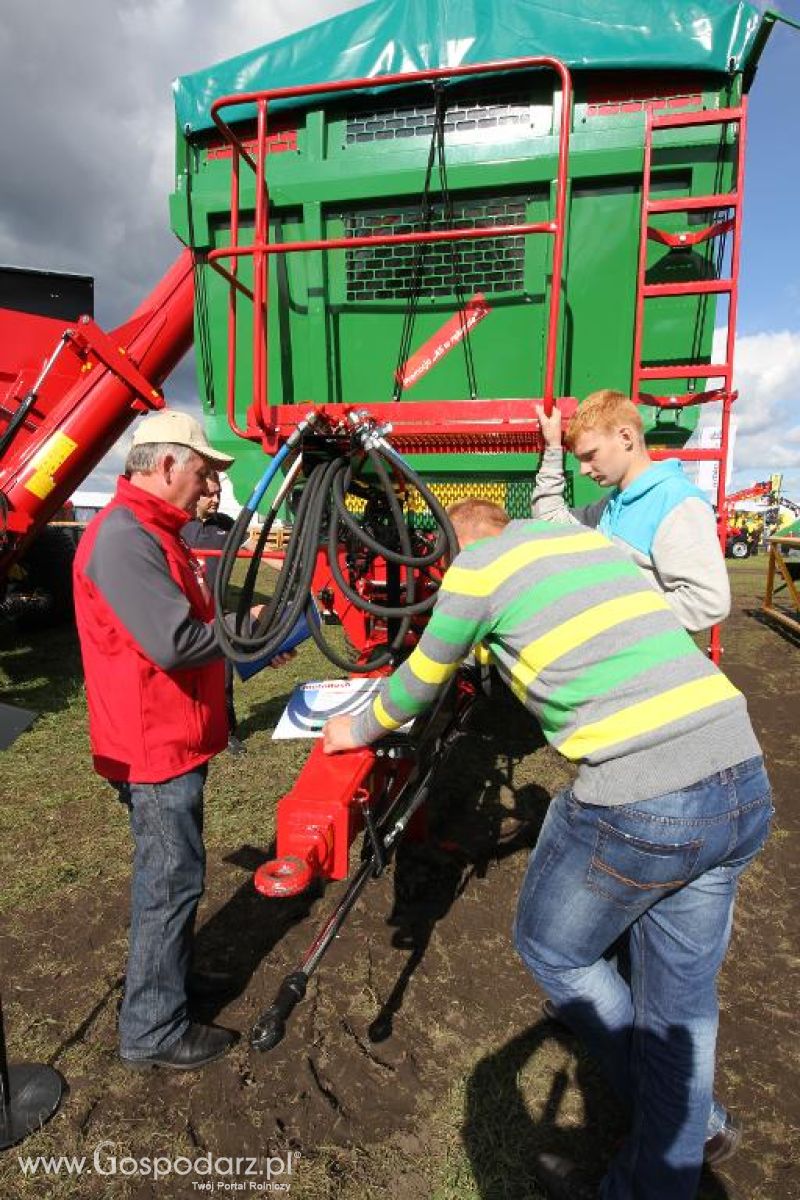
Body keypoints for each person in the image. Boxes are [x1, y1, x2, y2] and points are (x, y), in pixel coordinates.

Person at [322, 498, 772, 1200]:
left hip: (644, 792)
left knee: (555, 950)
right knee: (682, 1004)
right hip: (740, 774)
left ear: (458, 544)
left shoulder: (477, 567)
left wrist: (355, 730)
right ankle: (683, 1143)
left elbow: (418, 683)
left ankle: (674, 1116)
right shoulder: (586, 543)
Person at [73, 409, 293, 1071]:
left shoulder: (150, 531)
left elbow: (185, 627)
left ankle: (168, 986)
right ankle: (152, 1030)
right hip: (152, 746)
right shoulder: (125, 538)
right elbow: (172, 642)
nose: (207, 488)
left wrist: (243, 642)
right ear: (166, 464)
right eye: (201, 472)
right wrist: (252, 626)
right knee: (169, 883)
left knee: (174, 877)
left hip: (170, 735)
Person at [533, 389, 730, 632]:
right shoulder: (611, 506)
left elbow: (707, 602)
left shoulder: (676, 503)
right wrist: (553, 448)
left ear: (626, 437)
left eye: (590, 455)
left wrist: (611, 615)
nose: (583, 470)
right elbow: (550, 523)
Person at [182, 470, 247, 755]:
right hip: (187, 614)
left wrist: (294, 570)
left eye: (219, 494)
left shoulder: (226, 525)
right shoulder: (180, 527)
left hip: (217, 614)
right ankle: (190, 733)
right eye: (210, 494)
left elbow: (253, 549)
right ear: (196, 493)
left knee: (223, 677)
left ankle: (227, 732)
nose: (216, 499)